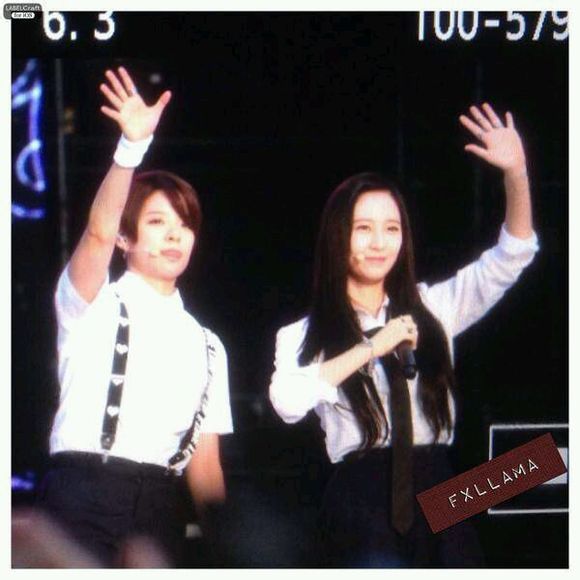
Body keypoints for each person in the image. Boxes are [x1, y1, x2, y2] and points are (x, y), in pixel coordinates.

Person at [269, 103, 538, 567]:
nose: (379, 242)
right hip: (361, 494)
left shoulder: (433, 306)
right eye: (364, 229)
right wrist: (371, 346)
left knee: (538, 465)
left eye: (391, 229)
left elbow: (511, 256)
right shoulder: (303, 332)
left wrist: (516, 173)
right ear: (338, 236)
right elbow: (288, 403)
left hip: (441, 488)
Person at [36, 67, 233, 567]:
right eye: (157, 221)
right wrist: (131, 147)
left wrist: (227, 552)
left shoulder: (207, 344)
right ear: (127, 238)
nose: (174, 235)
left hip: (161, 509)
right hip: (84, 494)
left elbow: (205, 467)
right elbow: (98, 233)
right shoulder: (93, 301)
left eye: (184, 224)